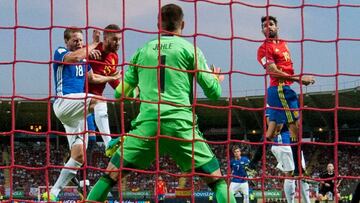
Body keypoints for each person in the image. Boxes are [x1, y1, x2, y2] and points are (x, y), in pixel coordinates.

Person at [87, 4, 236, 203]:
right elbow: (214, 93)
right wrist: (216, 80)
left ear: (158, 24)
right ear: (182, 24)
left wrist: (137, 86)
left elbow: (119, 94)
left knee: (109, 177)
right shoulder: (190, 50)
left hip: (148, 125)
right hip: (180, 125)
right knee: (217, 182)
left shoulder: (143, 51)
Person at [42, 27, 120, 201]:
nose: (78, 43)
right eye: (75, 40)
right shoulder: (61, 52)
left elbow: (93, 79)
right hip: (64, 102)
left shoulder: (85, 58)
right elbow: (74, 57)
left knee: (78, 156)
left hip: (76, 113)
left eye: (80, 40)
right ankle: (109, 144)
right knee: (99, 101)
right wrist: (93, 44)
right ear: (67, 42)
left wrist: (112, 77)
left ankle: (53, 193)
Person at [248, 15, 316, 172]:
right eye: (265, 26)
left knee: (273, 131)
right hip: (280, 89)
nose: (268, 27)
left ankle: (252, 165)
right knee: (295, 127)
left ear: (276, 27)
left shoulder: (284, 44)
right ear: (262, 31)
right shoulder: (263, 49)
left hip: (283, 89)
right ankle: (299, 170)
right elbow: (273, 71)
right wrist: (299, 79)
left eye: (271, 24)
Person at [87, 24, 123, 158]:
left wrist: (126, 91)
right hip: (81, 97)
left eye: (119, 39)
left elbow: (113, 79)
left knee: (90, 143)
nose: (118, 43)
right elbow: (89, 77)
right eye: (115, 39)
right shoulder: (93, 50)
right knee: (88, 142)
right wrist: (88, 51)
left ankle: (82, 178)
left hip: (95, 103)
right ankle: (109, 144)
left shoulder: (114, 57)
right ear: (106, 39)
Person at [267, 108, 311, 203]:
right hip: (283, 144)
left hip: (295, 144)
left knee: (301, 173)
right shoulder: (272, 105)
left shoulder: (289, 103)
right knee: (290, 175)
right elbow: (273, 129)